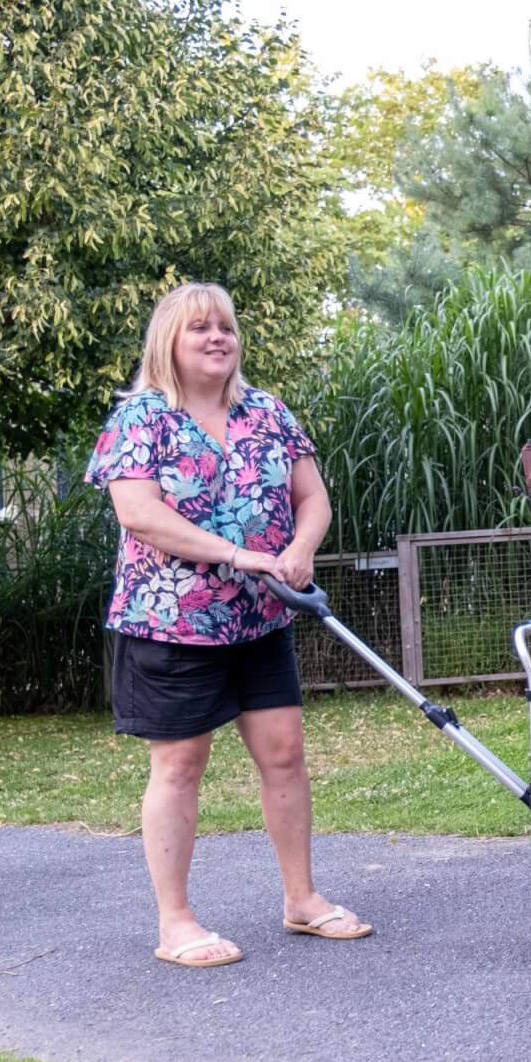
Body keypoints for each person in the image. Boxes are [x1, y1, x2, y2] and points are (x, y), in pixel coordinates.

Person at [85, 281, 371, 969]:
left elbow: (313, 497)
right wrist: (238, 554)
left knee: (285, 753)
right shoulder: (141, 419)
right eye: (199, 329)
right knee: (180, 765)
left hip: (261, 619)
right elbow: (140, 513)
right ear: (169, 343)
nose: (217, 338)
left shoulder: (267, 413)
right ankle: (175, 922)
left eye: (226, 328)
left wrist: (300, 549)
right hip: (170, 622)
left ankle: (302, 899)